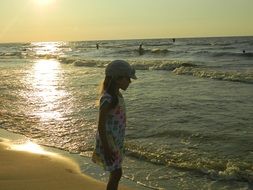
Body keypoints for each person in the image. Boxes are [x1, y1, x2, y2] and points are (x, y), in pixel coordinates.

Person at [92, 60, 137, 190]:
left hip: (115, 140)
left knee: (116, 173)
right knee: (117, 173)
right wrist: (106, 147)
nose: (130, 81)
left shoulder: (117, 95)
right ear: (118, 79)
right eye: (127, 78)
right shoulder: (108, 98)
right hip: (109, 140)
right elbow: (100, 124)